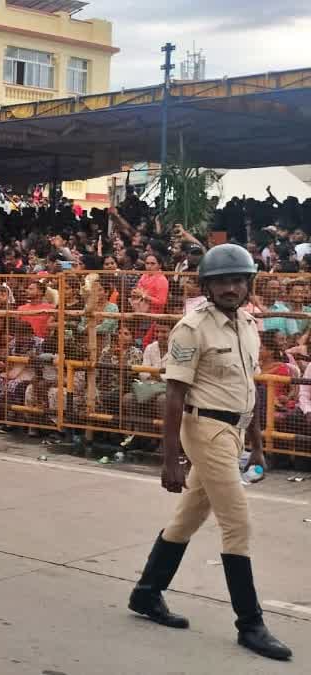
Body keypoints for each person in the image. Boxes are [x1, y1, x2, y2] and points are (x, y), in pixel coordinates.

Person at [127, 243, 291, 661]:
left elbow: (249, 387)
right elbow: (174, 394)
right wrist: (170, 460)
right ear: (207, 285)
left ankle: (146, 593)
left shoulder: (249, 324)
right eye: (222, 280)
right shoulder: (191, 328)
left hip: (235, 429)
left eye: (238, 279)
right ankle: (250, 623)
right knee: (238, 525)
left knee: (187, 520)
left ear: (248, 283)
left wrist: (256, 446)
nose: (232, 287)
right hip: (204, 429)